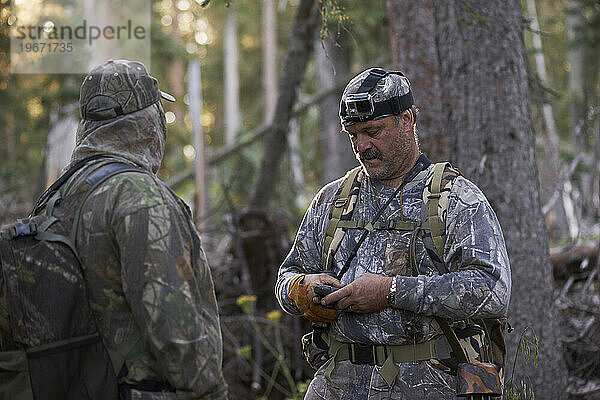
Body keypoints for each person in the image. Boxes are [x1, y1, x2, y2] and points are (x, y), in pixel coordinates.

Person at [275, 68, 511, 399]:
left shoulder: (456, 198)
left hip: (427, 385)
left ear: (407, 120)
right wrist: (302, 289)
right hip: (338, 383)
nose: (362, 146)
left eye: (373, 131)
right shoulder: (331, 200)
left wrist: (392, 291)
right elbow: (287, 276)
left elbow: (493, 289)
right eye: (353, 135)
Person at [64, 60, 228, 399]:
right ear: (146, 122)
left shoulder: (60, 195)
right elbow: (178, 334)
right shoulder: (142, 198)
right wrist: (211, 392)